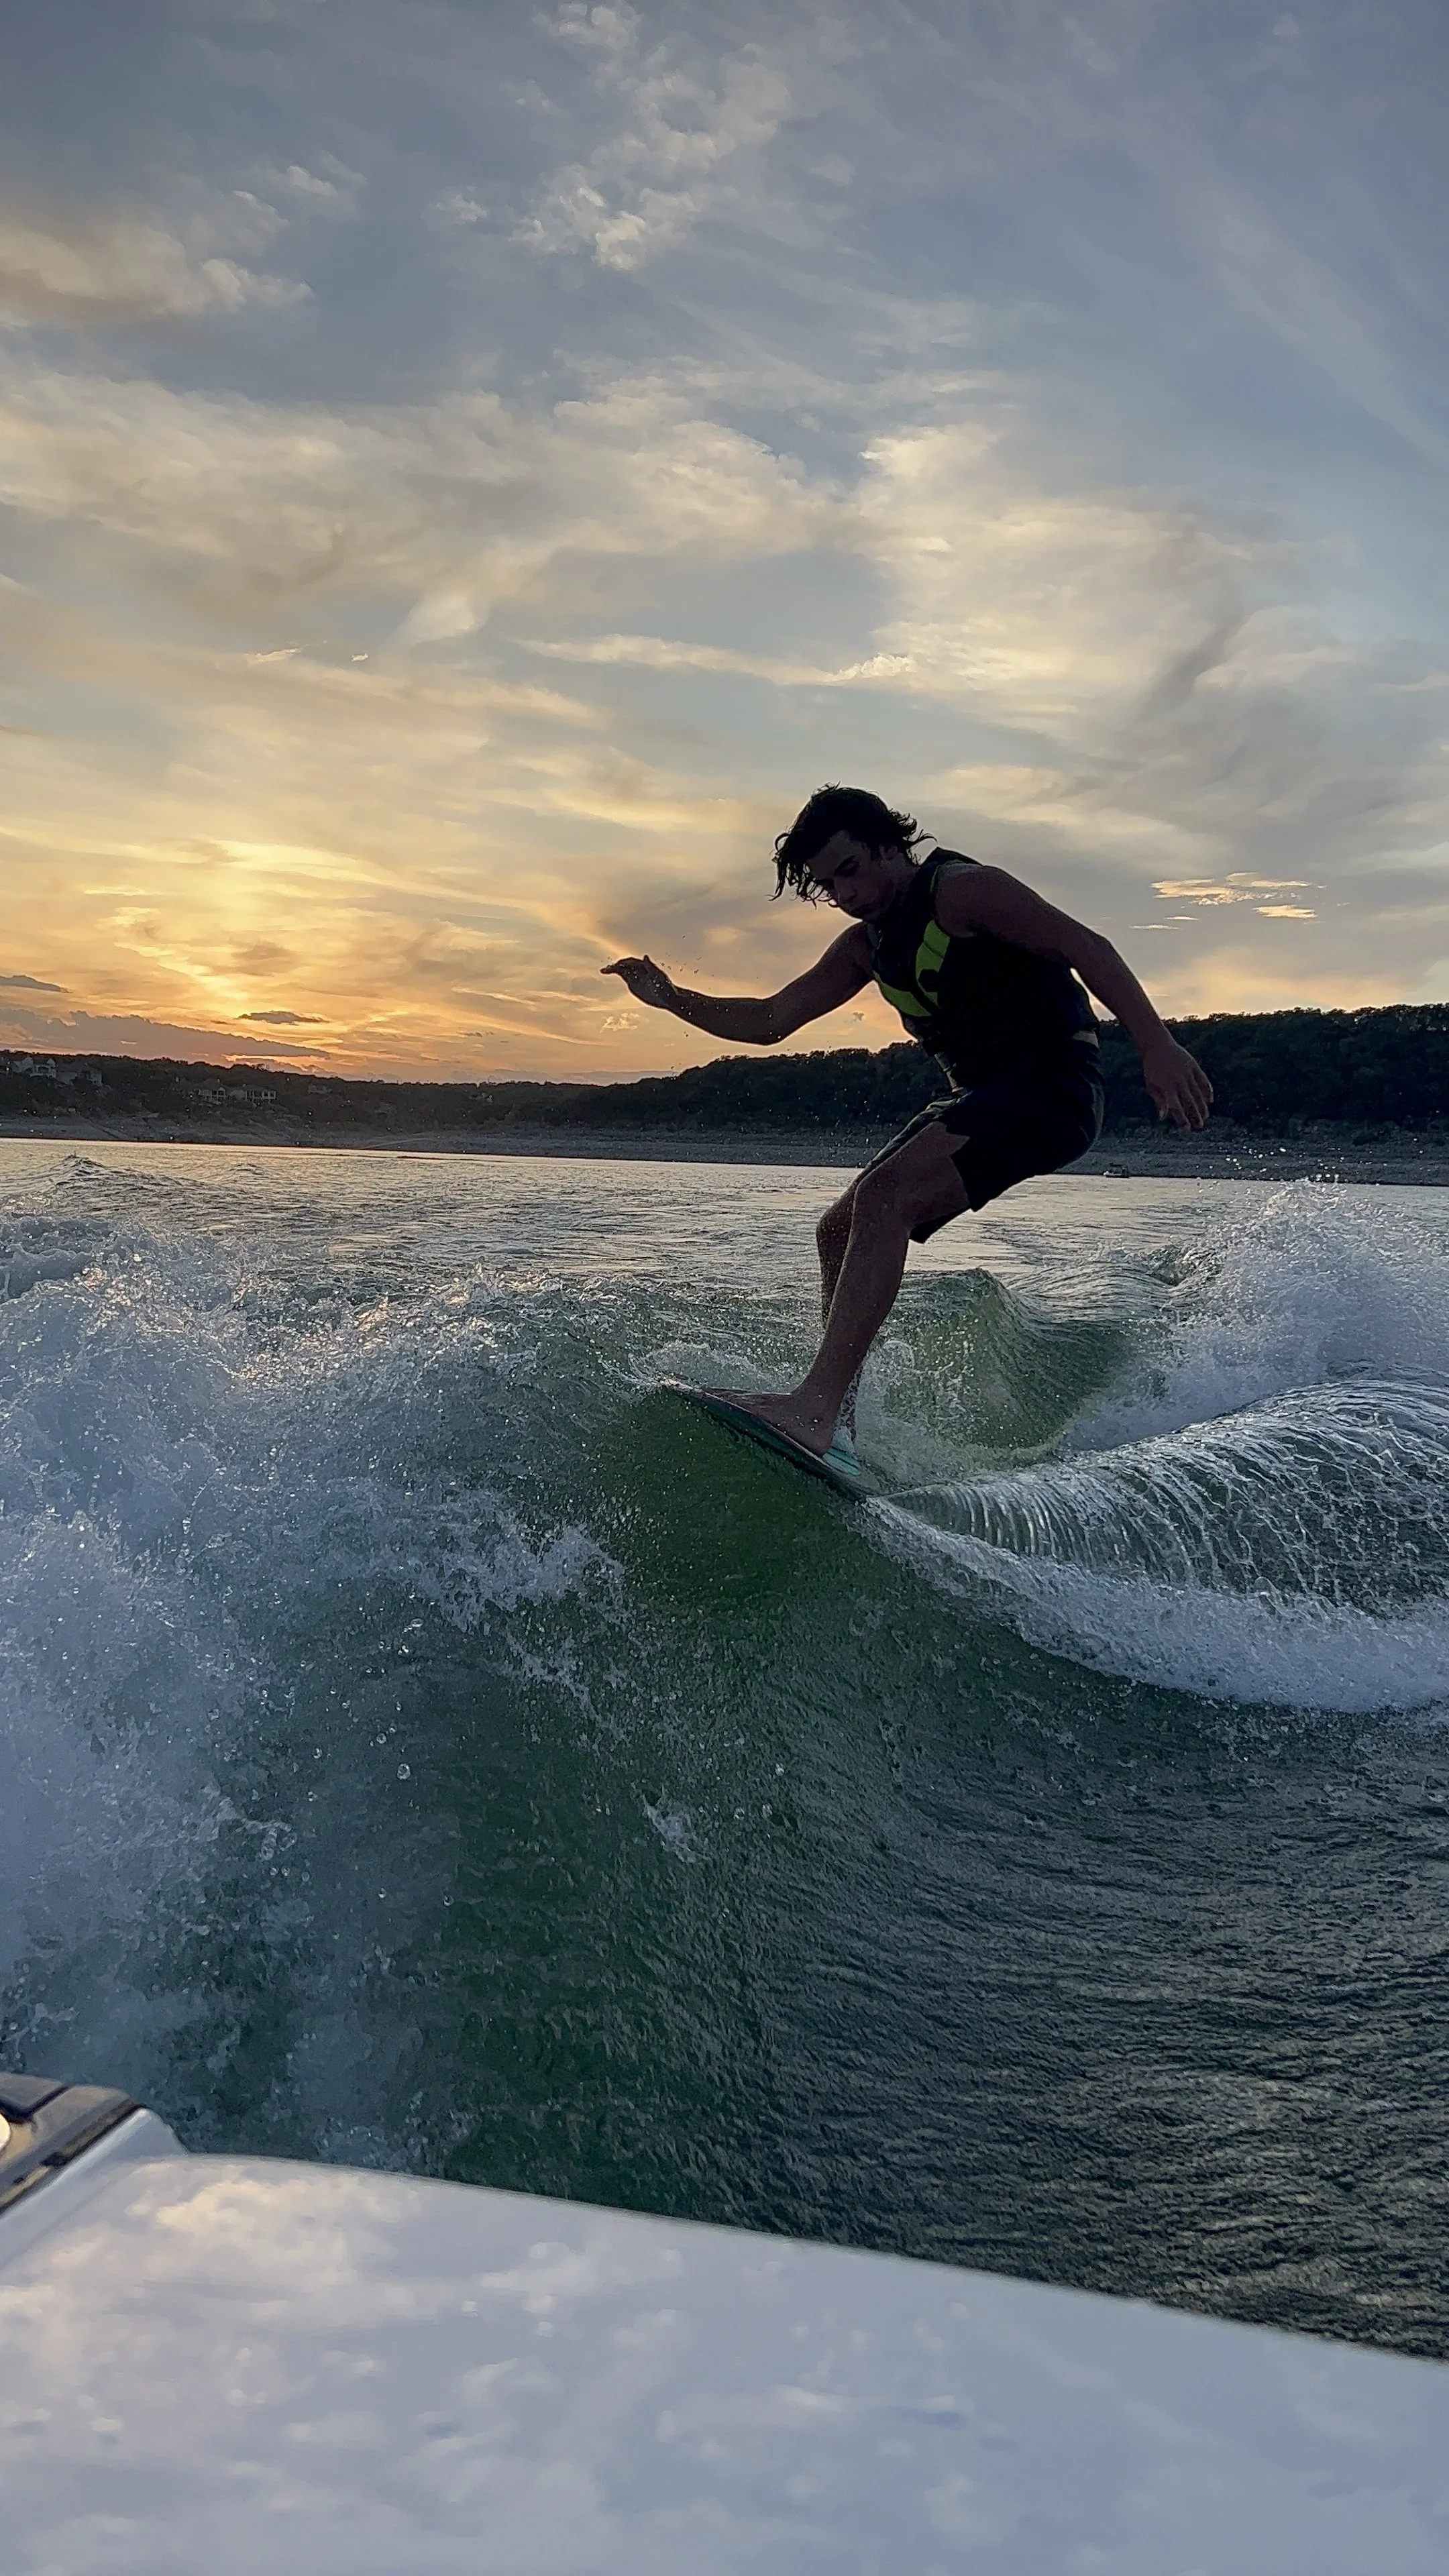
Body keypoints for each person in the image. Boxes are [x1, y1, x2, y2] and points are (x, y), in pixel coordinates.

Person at [604, 784, 1212, 1462]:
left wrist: (1157, 1045)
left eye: (852, 871)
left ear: (891, 843)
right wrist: (670, 999)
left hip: (1053, 1087)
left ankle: (813, 1409)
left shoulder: (964, 892)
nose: (845, 893)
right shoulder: (865, 948)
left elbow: (1088, 947)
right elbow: (773, 1020)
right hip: (981, 1095)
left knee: (885, 1198)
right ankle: (837, 1422)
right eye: (829, 885)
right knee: (838, 1228)